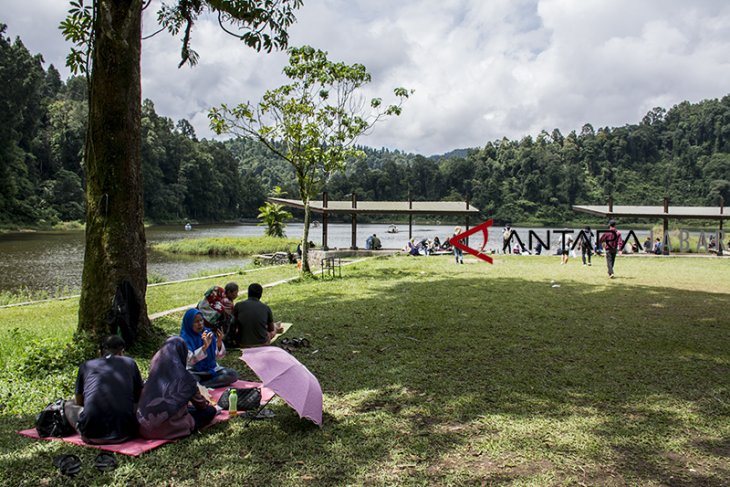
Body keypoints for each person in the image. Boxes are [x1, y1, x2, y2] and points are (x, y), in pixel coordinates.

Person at [64, 335, 143, 444]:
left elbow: (79, 401)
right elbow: (138, 396)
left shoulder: (86, 366)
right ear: (122, 352)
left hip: (91, 435)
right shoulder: (130, 363)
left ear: (100, 351)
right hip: (126, 433)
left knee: (68, 404)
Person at [137, 337, 216, 439]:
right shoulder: (186, 380)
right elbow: (201, 405)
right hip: (170, 428)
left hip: (145, 428)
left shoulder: (153, 376)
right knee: (210, 411)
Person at [180, 308, 238, 388]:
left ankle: (203, 386)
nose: (200, 324)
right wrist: (204, 347)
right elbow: (190, 361)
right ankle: (200, 385)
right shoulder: (184, 339)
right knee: (189, 380)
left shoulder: (207, 333)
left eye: (201, 320)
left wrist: (219, 342)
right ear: (189, 323)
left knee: (232, 374)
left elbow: (219, 356)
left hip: (211, 370)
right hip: (195, 371)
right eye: (196, 322)